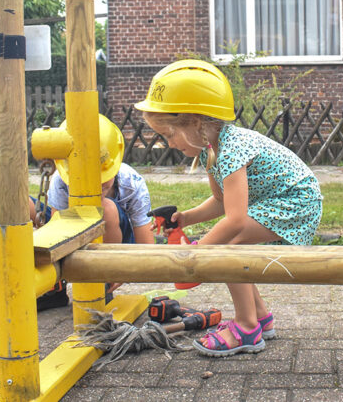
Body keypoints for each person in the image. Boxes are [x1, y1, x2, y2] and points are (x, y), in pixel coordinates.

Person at [135, 59, 323, 358]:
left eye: (169, 134)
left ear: (195, 123)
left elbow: (234, 220)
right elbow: (223, 202)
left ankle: (246, 329)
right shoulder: (213, 150)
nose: (168, 143)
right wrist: (187, 217)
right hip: (278, 202)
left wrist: (196, 254)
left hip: (295, 203)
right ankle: (260, 318)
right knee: (229, 247)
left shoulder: (231, 149)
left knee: (229, 248)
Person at [31, 114, 154, 310]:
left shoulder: (132, 182)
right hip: (74, 228)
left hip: (118, 244)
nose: (95, 186)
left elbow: (147, 244)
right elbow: (56, 232)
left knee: (105, 207)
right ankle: (54, 290)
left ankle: (104, 281)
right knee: (25, 204)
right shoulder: (60, 182)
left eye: (102, 178)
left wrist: (123, 270)